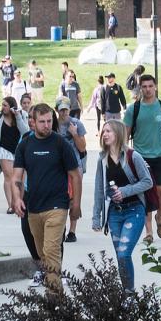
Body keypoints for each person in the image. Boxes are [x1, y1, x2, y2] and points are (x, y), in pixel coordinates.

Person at [9, 103, 83, 294]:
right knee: (43, 254)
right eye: (42, 121)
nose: (47, 125)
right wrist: (17, 198)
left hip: (57, 205)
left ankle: (55, 299)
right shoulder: (25, 144)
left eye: (49, 121)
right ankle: (55, 295)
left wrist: (76, 204)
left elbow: (75, 175)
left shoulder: (60, 143)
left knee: (51, 250)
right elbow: (16, 177)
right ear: (32, 122)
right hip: (33, 207)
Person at [91, 118, 153, 289]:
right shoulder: (102, 159)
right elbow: (99, 189)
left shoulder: (133, 156)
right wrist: (96, 217)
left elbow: (148, 182)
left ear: (118, 133)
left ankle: (129, 294)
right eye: (103, 131)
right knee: (120, 255)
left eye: (109, 131)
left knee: (124, 253)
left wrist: (124, 191)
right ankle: (126, 294)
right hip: (115, 214)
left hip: (135, 210)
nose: (105, 134)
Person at [123, 74, 161, 242]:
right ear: (140, 88)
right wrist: (123, 156)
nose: (147, 89)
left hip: (160, 156)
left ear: (155, 87)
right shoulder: (134, 109)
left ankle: (159, 216)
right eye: (144, 86)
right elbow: (125, 135)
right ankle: (149, 232)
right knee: (145, 194)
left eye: (150, 86)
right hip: (140, 157)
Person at [55, 98, 88, 245]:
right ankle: (60, 229)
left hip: (75, 165)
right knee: (60, 198)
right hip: (57, 166)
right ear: (56, 110)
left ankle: (72, 231)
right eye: (61, 109)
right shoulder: (53, 124)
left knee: (74, 198)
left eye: (66, 109)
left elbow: (82, 148)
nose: (64, 112)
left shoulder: (76, 124)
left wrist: (74, 134)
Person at [0, 96, 23, 212]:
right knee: (9, 177)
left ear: (11, 107)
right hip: (3, 151)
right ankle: (11, 204)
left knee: (17, 178)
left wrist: (18, 117)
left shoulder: (20, 115)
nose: (3, 107)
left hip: (18, 151)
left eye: (5, 105)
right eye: (2, 105)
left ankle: (17, 202)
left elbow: (25, 132)